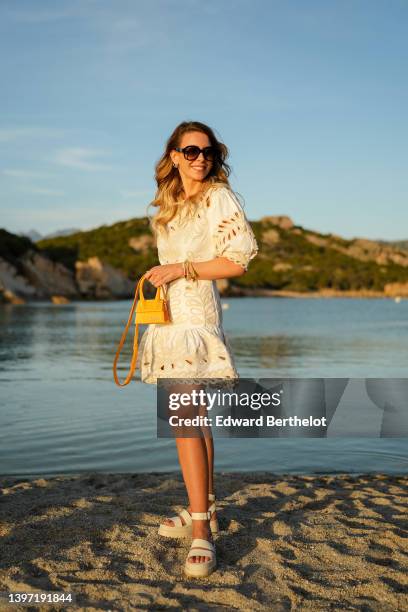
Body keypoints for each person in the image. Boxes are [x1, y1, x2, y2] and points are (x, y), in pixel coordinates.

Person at [138, 120, 258, 578]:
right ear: (174, 156)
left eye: (207, 152)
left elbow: (238, 259)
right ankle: (201, 507)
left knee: (185, 418)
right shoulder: (168, 206)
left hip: (196, 319)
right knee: (192, 417)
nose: (200, 159)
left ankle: (203, 531)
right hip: (170, 319)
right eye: (190, 151)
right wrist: (162, 274)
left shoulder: (217, 198)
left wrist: (179, 269)